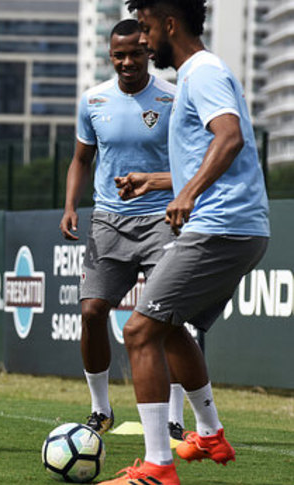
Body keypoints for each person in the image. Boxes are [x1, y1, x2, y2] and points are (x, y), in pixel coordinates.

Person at [102, 1, 270, 483]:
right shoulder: (198, 75)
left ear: (170, 25)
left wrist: (188, 195)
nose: (142, 39)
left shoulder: (203, 72)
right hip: (230, 227)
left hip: (221, 227)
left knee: (139, 331)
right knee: (168, 326)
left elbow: (229, 137)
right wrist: (156, 182)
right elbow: (207, 156)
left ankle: (158, 467)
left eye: (147, 27)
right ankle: (210, 433)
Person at [60, 19, 186, 439]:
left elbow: (191, 160)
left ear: (149, 51)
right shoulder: (92, 100)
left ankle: (175, 418)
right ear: (109, 55)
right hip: (108, 222)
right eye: (119, 55)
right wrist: (70, 206)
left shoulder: (173, 98)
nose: (127, 62)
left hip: (162, 221)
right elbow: (81, 159)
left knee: (167, 318)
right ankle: (100, 409)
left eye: (135, 53)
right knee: (92, 312)